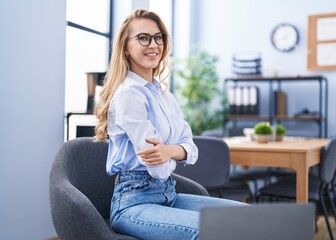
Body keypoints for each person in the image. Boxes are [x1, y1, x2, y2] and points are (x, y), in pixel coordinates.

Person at [94, 9, 246, 240]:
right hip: (133, 203)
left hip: (169, 195)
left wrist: (170, 151)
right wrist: (175, 153)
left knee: (249, 218)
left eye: (159, 37)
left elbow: (191, 148)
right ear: (125, 47)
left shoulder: (164, 95)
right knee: (216, 232)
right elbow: (157, 166)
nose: (153, 44)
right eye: (143, 38)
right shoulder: (129, 94)